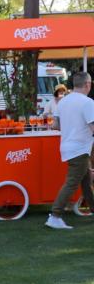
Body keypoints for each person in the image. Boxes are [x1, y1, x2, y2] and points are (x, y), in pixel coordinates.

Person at [46, 72, 94, 230]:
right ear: (87, 84)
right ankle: (55, 215)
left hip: (69, 146)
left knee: (86, 182)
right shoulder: (88, 102)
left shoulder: (62, 102)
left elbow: (55, 125)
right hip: (80, 148)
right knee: (72, 183)